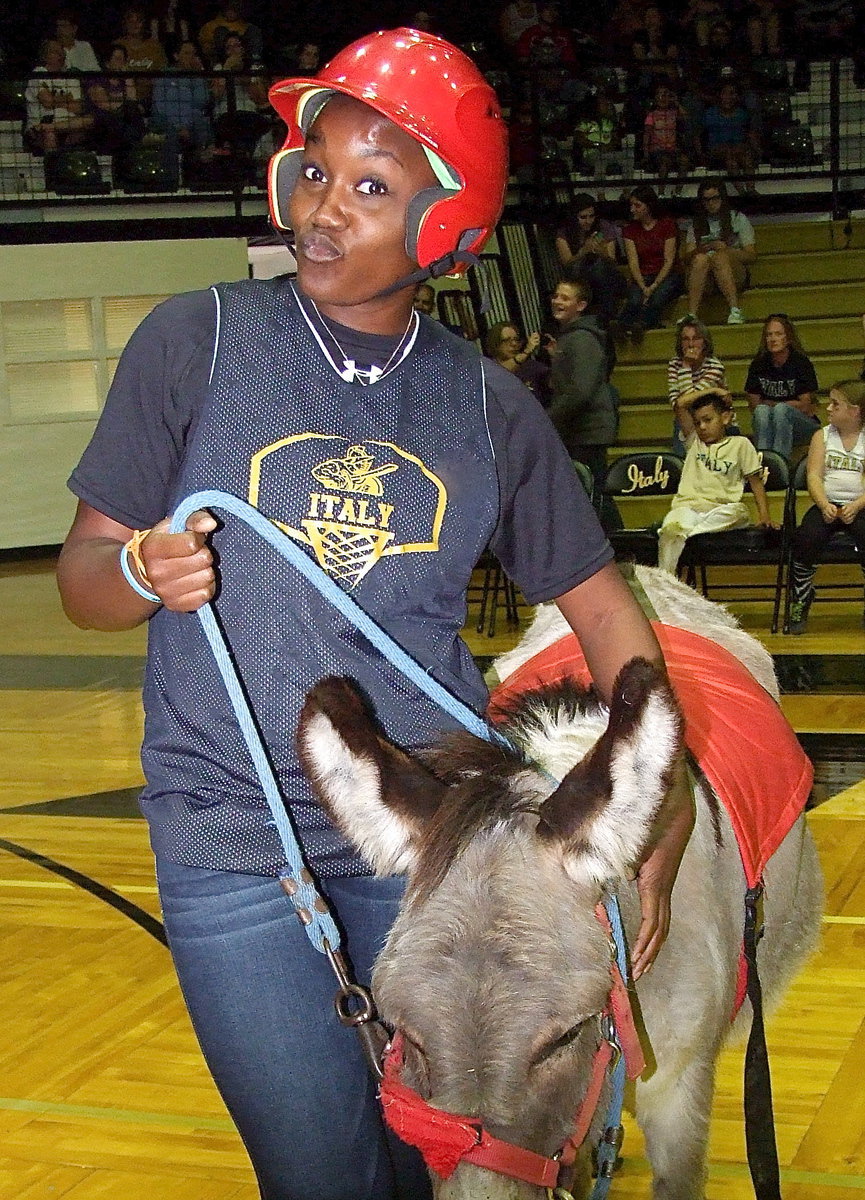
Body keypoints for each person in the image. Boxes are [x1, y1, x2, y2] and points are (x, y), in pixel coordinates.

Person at [56, 28, 693, 1200]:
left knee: (441, 1161)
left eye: (369, 187)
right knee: (321, 1174)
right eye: (314, 171)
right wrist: (142, 572)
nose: (321, 207)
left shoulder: (487, 405)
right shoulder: (193, 343)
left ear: (444, 227)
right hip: (229, 834)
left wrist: (664, 811)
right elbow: (83, 578)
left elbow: (606, 612)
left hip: (429, 846)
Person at [658, 392, 774, 573]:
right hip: (688, 508)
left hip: (721, 511)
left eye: (708, 420)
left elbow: (756, 482)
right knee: (670, 530)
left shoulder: (741, 444)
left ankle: (691, 533)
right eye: (697, 423)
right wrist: (716, 392)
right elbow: (681, 404)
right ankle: (666, 585)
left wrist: (764, 515)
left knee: (741, 512)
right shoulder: (693, 441)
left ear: (725, 417)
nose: (702, 427)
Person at [788, 379, 865, 633]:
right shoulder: (821, 436)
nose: (828, 409)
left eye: (835, 404)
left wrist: (857, 504)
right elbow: (813, 476)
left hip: (860, 505)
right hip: (827, 504)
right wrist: (823, 504)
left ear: (854, 411)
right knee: (807, 537)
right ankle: (801, 596)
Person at [546, 278, 620, 527]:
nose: (557, 301)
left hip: (587, 431)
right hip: (580, 430)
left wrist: (549, 418)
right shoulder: (570, 337)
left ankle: (622, 545)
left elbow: (579, 391)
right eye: (556, 296)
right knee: (591, 493)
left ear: (581, 305)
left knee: (595, 493)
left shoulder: (581, 339)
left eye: (565, 298)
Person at [745, 314, 820, 459]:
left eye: (778, 334)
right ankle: (763, 463)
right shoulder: (758, 364)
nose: (773, 339)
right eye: (769, 335)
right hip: (770, 424)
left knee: (781, 411)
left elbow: (805, 406)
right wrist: (787, 404)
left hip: (803, 425)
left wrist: (774, 404)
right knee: (762, 411)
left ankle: (779, 467)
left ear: (788, 338)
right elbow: (754, 406)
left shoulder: (801, 363)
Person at [683, 177, 756, 324]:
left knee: (719, 257)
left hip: (733, 270)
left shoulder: (737, 218)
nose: (711, 203)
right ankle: (691, 314)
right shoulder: (696, 223)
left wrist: (726, 250)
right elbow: (687, 257)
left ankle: (735, 310)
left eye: (715, 198)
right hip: (705, 275)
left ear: (722, 197)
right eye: (706, 200)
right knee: (700, 259)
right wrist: (702, 249)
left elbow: (751, 255)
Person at [617, 184, 682, 341]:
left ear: (649, 206)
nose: (632, 209)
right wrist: (642, 286)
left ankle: (641, 324)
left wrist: (652, 287)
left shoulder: (667, 224)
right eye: (631, 205)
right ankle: (621, 326)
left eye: (637, 205)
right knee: (633, 300)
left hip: (667, 273)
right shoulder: (630, 230)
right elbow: (633, 262)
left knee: (658, 297)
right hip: (643, 274)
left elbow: (669, 260)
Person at [555, 191, 627, 326]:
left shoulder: (603, 227)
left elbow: (612, 261)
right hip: (580, 275)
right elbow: (567, 263)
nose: (588, 221)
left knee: (600, 267)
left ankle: (607, 317)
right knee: (578, 268)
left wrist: (601, 251)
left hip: (604, 274)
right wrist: (583, 251)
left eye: (591, 216)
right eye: (583, 217)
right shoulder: (565, 232)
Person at [667, 315, 731, 455]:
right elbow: (677, 404)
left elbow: (691, 402)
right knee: (681, 419)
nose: (690, 344)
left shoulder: (715, 366)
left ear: (704, 342)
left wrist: (685, 369)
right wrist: (685, 365)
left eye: (696, 339)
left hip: (717, 422)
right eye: (685, 339)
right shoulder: (674, 364)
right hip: (687, 422)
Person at [24, 38, 93, 155]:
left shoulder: (71, 77)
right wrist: (67, 99)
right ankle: (52, 168)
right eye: (55, 52)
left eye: (62, 51)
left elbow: (78, 108)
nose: (61, 55)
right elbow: (47, 102)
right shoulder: (38, 73)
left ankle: (50, 127)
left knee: (90, 121)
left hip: (68, 125)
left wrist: (55, 100)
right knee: (49, 134)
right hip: (40, 126)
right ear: (45, 56)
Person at [642, 83, 689, 195]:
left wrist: (676, 103)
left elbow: (686, 117)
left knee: (685, 161)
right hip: (657, 150)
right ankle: (661, 193)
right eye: (661, 95)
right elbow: (647, 134)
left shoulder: (674, 112)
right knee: (664, 163)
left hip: (672, 149)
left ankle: (677, 192)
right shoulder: (651, 115)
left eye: (666, 95)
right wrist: (646, 153)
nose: (664, 98)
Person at [484, 319, 548, 397]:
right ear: (496, 344)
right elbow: (500, 374)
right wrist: (526, 352)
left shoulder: (531, 367)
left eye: (516, 339)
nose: (514, 344)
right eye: (507, 340)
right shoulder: (488, 369)